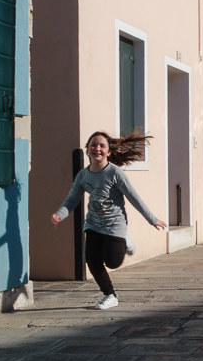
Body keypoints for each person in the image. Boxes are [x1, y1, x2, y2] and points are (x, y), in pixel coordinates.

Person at [51, 130, 167, 309]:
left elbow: (134, 197)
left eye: (102, 146)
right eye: (93, 145)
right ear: (87, 150)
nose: (97, 148)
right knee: (92, 260)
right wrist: (60, 214)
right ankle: (110, 295)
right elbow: (72, 199)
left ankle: (124, 240)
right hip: (93, 224)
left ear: (109, 151)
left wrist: (152, 219)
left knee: (113, 262)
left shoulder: (115, 173)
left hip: (115, 225)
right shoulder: (83, 175)